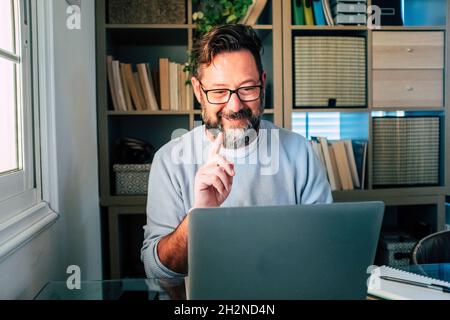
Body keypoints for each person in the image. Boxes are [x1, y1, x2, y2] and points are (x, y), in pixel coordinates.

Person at [141, 24, 332, 279]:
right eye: (219, 91)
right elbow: (159, 271)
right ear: (199, 90)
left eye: (247, 89)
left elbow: (327, 247)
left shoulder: (300, 151)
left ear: (262, 84)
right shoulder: (169, 160)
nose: (234, 105)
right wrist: (199, 216)